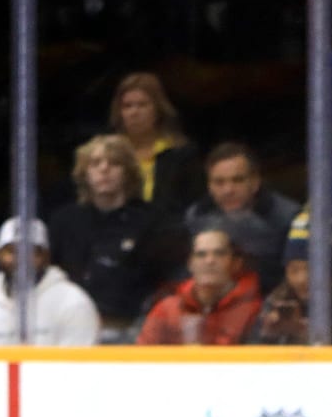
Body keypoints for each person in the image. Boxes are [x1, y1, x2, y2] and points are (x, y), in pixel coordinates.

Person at [48, 133, 186, 341]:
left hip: (132, 330)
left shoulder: (153, 221)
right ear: (84, 173)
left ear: (128, 173)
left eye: (114, 163)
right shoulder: (64, 221)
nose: (104, 169)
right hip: (69, 330)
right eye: (95, 163)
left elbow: (164, 284)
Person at [0, 217, 101, 347]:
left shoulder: (73, 302)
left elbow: (77, 369)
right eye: (12, 251)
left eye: (30, 251)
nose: (20, 259)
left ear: (46, 257)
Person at [183, 142, 301, 295]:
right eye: (219, 182)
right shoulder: (196, 216)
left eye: (237, 180)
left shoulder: (288, 217)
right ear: (209, 186)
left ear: (255, 182)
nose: (228, 190)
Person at [137, 228, 264, 345]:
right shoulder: (166, 309)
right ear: (190, 264)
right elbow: (141, 359)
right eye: (201, 254)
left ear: (236, 263)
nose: (209, 261)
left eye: (219, 254)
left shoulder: (255, 311)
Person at [108, 72, 205, 222]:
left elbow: (195, 205)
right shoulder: (108, 154)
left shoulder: (181, 154)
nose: (134, 112)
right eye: (127, 106)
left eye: (142, 105)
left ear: (158, 109)